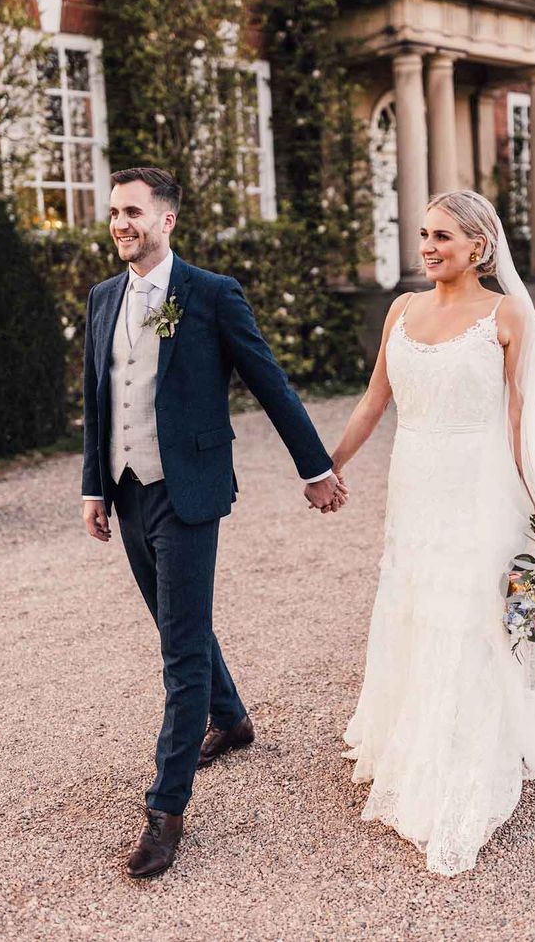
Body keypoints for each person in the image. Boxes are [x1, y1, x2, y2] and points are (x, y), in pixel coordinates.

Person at [82, 167, 347, 879]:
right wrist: (92, 489)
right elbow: (97, 400)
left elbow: (269, 382)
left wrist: (315, 469)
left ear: (167, 220)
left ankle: (166, 811)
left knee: (180, 653)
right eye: (114, 212)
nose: (120, 223)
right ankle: (230, 719)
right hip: (127, 490)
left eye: (134, 211)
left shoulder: (212, 294)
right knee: (181, 628)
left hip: (189, 492)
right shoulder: (104, 298)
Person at [333, 190, 535, 876]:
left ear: (479, 246)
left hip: (477, 490)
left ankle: (459, 755)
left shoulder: (507, 316)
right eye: (424, 235)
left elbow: (519, 422)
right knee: (412, 605)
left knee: (467, 618)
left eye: (443, 236)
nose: (429, 247)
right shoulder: (401, 311)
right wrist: (330, 466)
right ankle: (408, 734)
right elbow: (374, 399)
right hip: (413, 489)